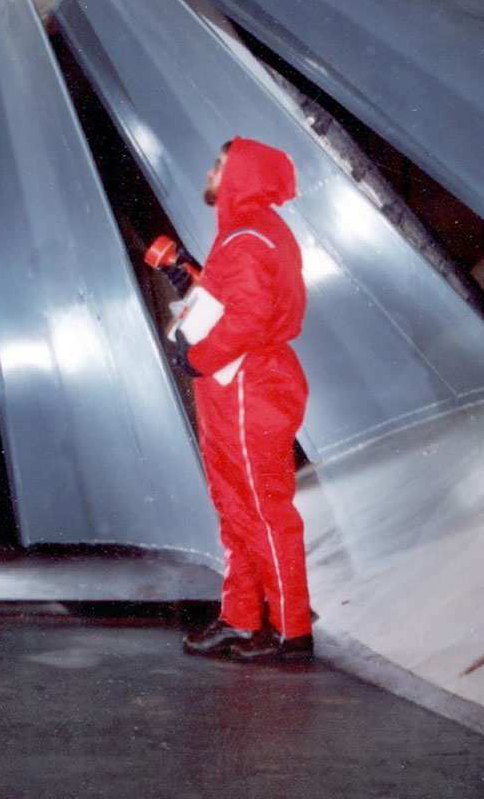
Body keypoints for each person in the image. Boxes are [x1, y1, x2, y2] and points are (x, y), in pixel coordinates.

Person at [157, 137, 312, 664]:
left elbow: (246, 321)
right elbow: (238, 304)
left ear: (241, 173)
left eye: (220, 164)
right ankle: (243, 618)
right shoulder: (249, 234)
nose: (212, 171)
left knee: (262, 510)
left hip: (247, 385)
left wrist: (196, 358)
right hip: (239, 385)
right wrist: (197, 278)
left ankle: (290, 632)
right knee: (239, 508)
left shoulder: (246, 238)